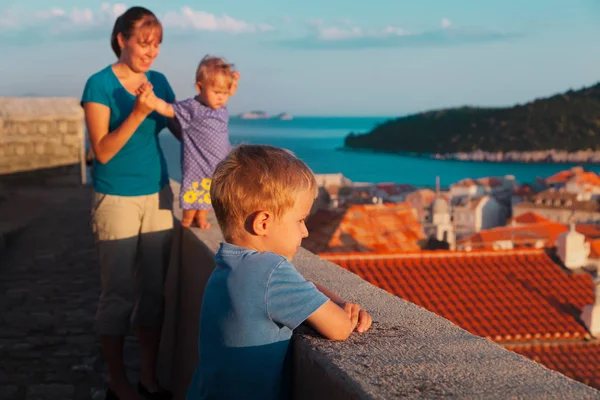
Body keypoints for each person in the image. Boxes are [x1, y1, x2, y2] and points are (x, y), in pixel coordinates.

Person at [186, 144, 373, 399]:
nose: (305, 231)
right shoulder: (271, 271)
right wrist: (343, 307)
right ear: (263, 222)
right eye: (300, 220)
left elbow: (300, 286)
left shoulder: (228, 266)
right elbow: (339, 329)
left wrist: (334, 300)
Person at [81, 6, 177, 400]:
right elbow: (102, 151)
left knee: (154, 294)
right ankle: (118, 381)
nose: (151, 52)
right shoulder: (98, 84)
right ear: (122, 40)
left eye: (156, 44)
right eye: (143, 42)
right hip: (115, 199)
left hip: (157, 195)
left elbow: (185, 129)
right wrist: (139, 111)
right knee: (118, 293)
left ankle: (148, 378)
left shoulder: (160, 81)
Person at [136, 55, 240, 229]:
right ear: (200, 87)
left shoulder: (221, 106)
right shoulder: (192, 107)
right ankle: (187, 220)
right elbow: (168, 109)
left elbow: (230, 90)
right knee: (193, 195)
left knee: (209, 197)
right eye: (216, 92)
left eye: (224, 93)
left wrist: (234, 81)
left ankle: (201, 218)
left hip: (218, 163)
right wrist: (152, 100)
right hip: (197, 162)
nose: (221, 97)